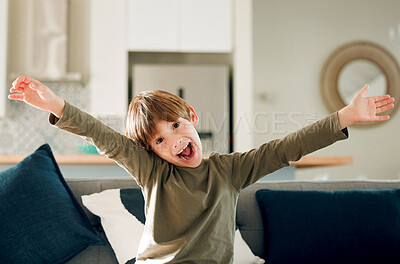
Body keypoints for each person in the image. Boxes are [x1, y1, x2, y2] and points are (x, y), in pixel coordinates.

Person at [9, 75, 395, 263]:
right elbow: (104, 137)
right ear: (149, 150)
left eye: (176, 127)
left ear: (191, 116)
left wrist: (345, 115)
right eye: (159, 141)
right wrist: (57, 104)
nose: (174, 141)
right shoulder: (152, 172)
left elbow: (285, 149)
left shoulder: (230, 170)